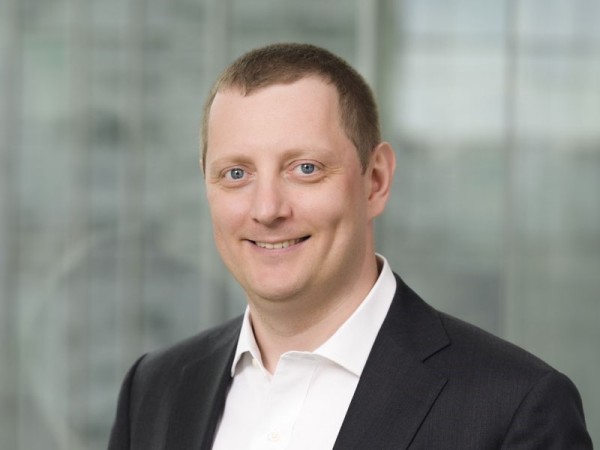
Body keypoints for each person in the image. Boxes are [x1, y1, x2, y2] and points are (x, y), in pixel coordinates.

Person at [108, 43, 592, 449]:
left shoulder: (517, 408)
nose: (267, 209)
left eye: (305, 169)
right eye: (236, 173)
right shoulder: (154, 389)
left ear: (375, 180)